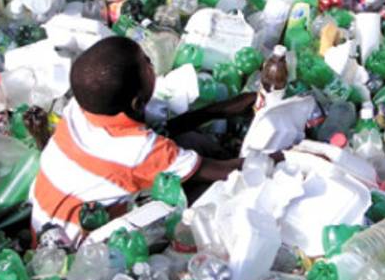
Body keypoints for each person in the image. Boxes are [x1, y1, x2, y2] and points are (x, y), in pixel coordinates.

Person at [30, 36, 272, 244]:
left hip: (44, 223)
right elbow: (222, 172)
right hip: (79, 246)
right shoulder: (138, 150)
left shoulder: (79, 108)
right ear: (137, 102)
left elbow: (157, 135)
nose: (151, 62)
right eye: (146, 63)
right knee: (210, 193)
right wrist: (291, 156)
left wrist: (217, 110)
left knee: (185, 147)